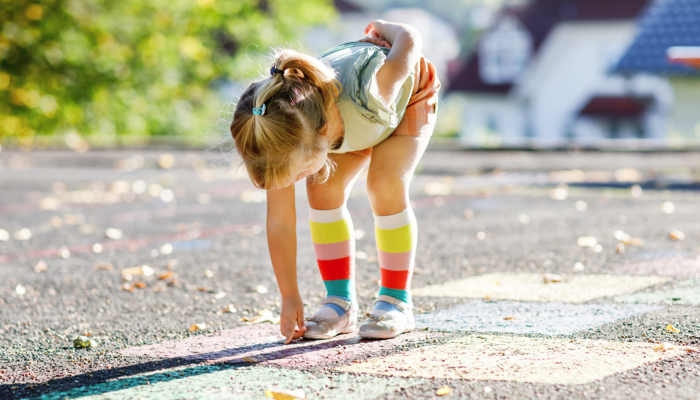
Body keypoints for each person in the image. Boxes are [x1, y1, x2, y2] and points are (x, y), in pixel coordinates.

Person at [230, 20, 440, 344]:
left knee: (385, 185)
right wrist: (290, 297)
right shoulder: (284, 133)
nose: (297, 180)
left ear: (319, 138)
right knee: (322, 187)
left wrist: (386, 28)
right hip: (354, 122)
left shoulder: (375, 88)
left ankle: (396, 300)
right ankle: (340, 303)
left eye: (298, 173)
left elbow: (411, 38)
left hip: (405, 97)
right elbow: (281, 223)